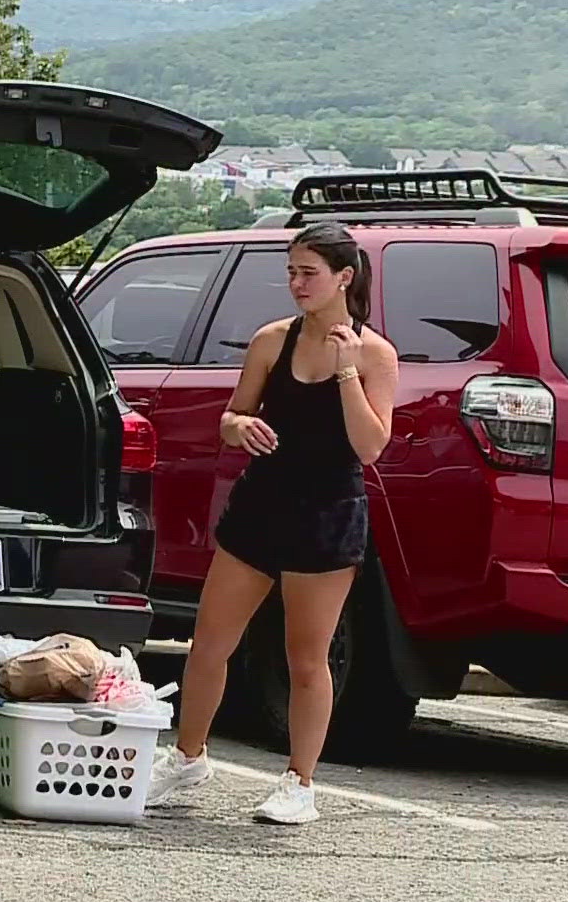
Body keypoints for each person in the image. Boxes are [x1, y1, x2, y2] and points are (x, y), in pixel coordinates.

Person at [145, 221, 397, 824]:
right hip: (260, 505)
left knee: (306, 658)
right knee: (210, 640)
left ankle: (299, 782)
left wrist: (345, 373)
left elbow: (370, 447)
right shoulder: (271, 341)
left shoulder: (375, 354)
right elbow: (232, 416)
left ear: (345, 277)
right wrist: (239, 429)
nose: (296, 284)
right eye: (290, 272)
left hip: (327, 514)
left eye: (308, 273)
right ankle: (187, 755)